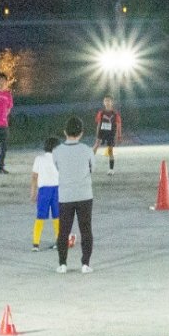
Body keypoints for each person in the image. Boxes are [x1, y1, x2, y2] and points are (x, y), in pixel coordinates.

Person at [53, 115, 96, 273]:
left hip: (65, 195)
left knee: (63, 230)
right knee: (86, 229)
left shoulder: (57, 151)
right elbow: (93, 168)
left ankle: (62, 264)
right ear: (81, 133)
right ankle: (85, 264)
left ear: (65, 132)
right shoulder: (87, 150)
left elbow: (57, 167)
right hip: (84, 194)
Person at [31, 135, 62, 249]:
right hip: (57, 190)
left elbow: (34, 177)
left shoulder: (39, 159)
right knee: (57, 216)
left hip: (44, 190)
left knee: (40, 217)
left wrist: (33, 192)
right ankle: (59, 241)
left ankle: (36, 243)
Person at [94, 96, 122, 172]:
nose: (107, 102)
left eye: (109, 101)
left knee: (110, 151)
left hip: (110, 133)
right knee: (96, 146)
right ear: (103, 102)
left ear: (112, 102)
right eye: (106, 101)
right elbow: (99, 124)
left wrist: (119, 136)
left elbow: (118, 125)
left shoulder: (115, 114)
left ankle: (111, 169)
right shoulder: (101, 113)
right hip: (102, 131)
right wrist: (97, 134)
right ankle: (88, 166)